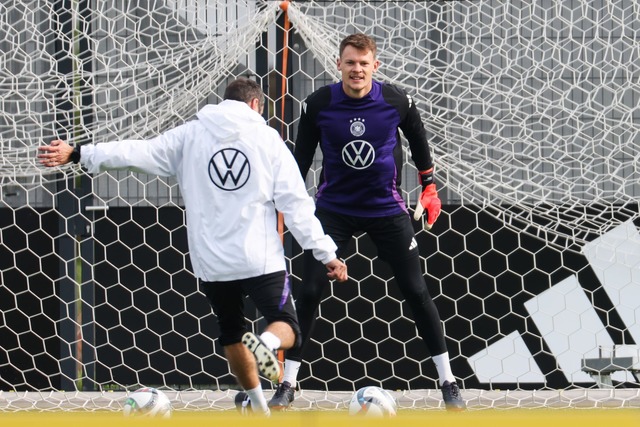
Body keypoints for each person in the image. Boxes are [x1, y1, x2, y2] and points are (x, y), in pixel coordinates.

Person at [38, 77, 348, 416]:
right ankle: (267, 344)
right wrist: (326, 253)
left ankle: (259, 409)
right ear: (256, 105)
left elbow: (137, 153)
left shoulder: (190, 135)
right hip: (259, 258)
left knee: (232, 336)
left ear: (223, 102)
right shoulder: (267, 138)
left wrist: (80, 153)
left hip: (212, 263)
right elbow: (295, 203)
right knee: (289, 328)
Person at [268, 34, 466, 412]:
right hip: (333, 210)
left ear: (374, 66)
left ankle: (449, 383)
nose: (356, 69)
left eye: (363, 63)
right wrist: (286, 206)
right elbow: (300, 161)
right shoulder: (318, 104)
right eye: (350, 63)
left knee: (416, 291)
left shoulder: (395, 100)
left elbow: (419, 139)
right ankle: (288, 384)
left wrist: (429, 187)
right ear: (338, 65)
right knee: (308, 293)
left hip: (386, 210)